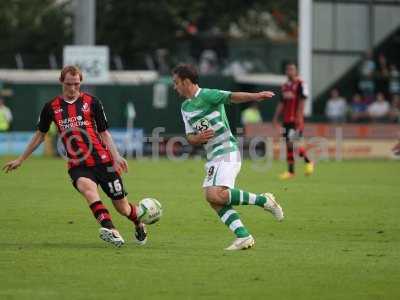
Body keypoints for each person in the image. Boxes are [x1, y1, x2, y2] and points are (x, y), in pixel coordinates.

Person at [2, 66, 146, 247]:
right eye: (69, 84)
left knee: (123, 208)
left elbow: (104, 133)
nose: (72, 88)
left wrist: (116, 156)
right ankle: (111, 230)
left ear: (81, 83)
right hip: (78, 164)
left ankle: (139, 222)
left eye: (76, 84)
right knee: (89, 190)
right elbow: (40, 134)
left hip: (104, 161)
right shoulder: (51, 107)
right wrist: (20, 159)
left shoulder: (92, 102)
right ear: (61, 82)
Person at [173, 63, 284, 251]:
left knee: (214, 194)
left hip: (227, 151)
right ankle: (243, 236)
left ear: (186, 81)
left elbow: (232, 97)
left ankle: (264, 201)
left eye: (176, 83)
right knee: (214, 200)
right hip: (213, 157)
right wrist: (197, 138)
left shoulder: (207, 95)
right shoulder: (185, 107)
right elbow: (190, 137)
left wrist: (255, 96)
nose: (174, 87)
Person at [272, 63, 313, 180]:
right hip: (286, 120)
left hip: (296, 120)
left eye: (292, 69)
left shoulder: (301, 84)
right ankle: (292, 171)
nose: (289, 71)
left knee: (291, 143)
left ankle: (306, 163)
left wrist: (299, 117)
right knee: (289, 145)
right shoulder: (284, 86)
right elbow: (281, 103)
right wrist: (275, 117)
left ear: (296, 71)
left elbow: (302, 101)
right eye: (288, 69)